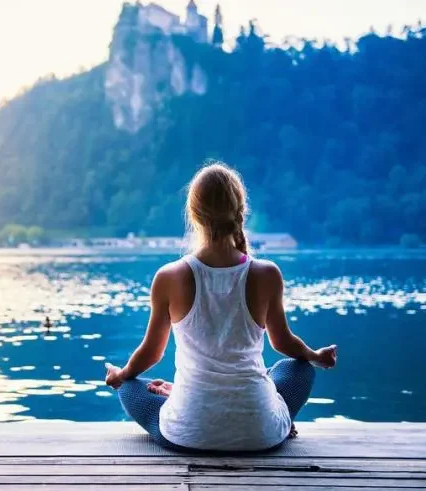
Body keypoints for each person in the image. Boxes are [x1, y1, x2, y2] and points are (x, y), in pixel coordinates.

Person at [104, 163, 337, 452]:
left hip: (189, 433)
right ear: (241, 210)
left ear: (193, 214)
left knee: (130, 385)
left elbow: (152, 353)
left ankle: (180, 399)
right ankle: (276, 421)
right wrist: (315, 355)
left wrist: (120, 375)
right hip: (260, 435)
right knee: (299, 368)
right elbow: (284, 343)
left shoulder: (169, 277)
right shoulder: (267, 274)